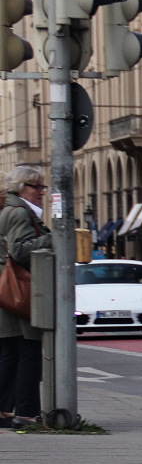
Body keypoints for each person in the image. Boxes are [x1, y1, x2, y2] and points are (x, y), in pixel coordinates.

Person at [0, 166, 53, 428]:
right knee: (29, 350)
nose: (42, 192)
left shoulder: (7, 209)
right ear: (22, 188)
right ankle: (27, 413)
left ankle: (3, 410)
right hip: (20, 290)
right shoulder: (20, 213)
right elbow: (20, 251)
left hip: (6, 290)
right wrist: (54, 240)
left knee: (10, 352)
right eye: (37, 187)